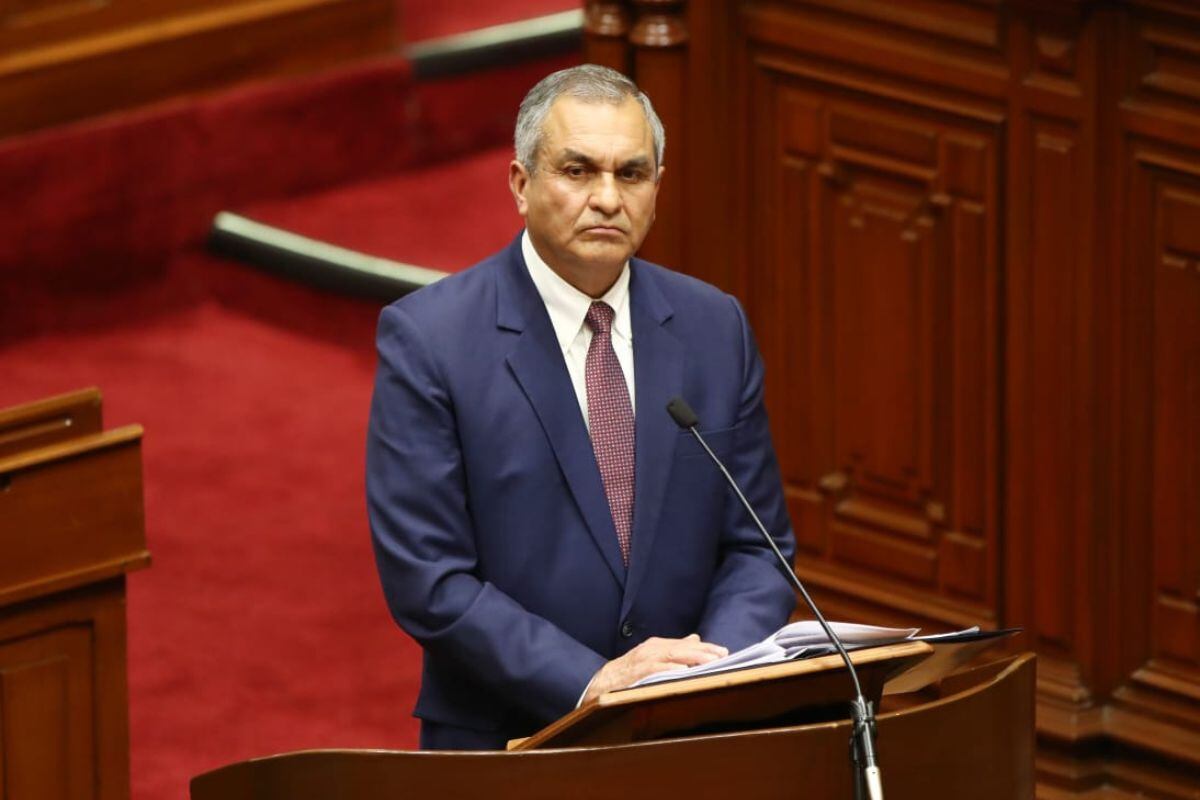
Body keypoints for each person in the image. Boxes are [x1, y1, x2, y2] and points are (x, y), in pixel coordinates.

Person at [366, 64, 796, 751]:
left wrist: (708, 674)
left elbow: (759, 547)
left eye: (631, 174)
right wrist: (593, 681)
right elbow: (429, 580)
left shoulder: (715, 327)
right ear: (520, 183)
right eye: (577, 171)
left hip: (688, 738)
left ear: (657, 187)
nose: (606, 198)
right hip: (510, 739)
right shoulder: (431, 340)